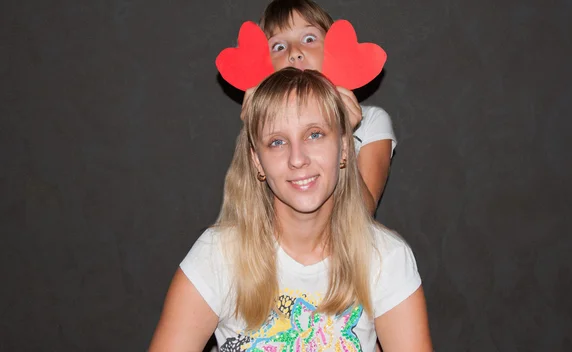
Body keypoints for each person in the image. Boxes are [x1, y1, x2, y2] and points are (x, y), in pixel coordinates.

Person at [149, 68, 432, 351]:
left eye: (315, 135)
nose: (297, 159)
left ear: (345, 147)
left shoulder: (386, 258)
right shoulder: (218, 254)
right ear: (257, 161)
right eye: (277, 142)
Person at [243, 0, 396, 215]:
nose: (294, 52)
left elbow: (363, 213)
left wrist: (344, 132)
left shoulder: (370, 120)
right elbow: (250, 209)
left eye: (309, 38)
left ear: (334, 46)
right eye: (279, 46)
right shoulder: (266, 130)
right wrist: (253, 132)